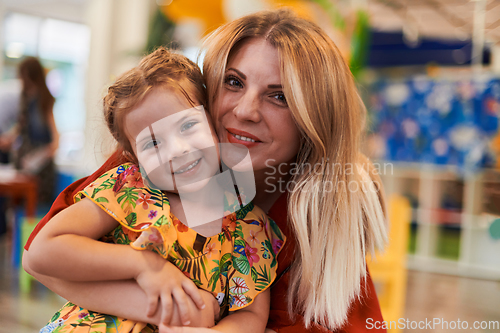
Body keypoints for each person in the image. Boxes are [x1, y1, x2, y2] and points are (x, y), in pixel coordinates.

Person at [23, 8, 388, 332]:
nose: (245, 110)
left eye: (279, 96)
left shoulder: (293, 221)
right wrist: (164, 299)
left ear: (314, 118)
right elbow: (41, 261)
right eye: (234, 81)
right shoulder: (150, 165)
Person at [30, 47, 285, 333]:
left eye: (188, 125)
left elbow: (251, 314)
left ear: (212, 121)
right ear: (134, 158)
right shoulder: (131, 189)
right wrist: (143, 266)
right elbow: (42, 251)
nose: (178, 150)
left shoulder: (249, 227)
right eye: (153, 144)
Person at [13, 57, 59, 204]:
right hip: (24, 161)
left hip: (40, 167)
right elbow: (21, 128)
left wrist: (40, 157)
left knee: (35, 206)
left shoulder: (44, 99)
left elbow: (55, 139)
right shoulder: (24, 98)